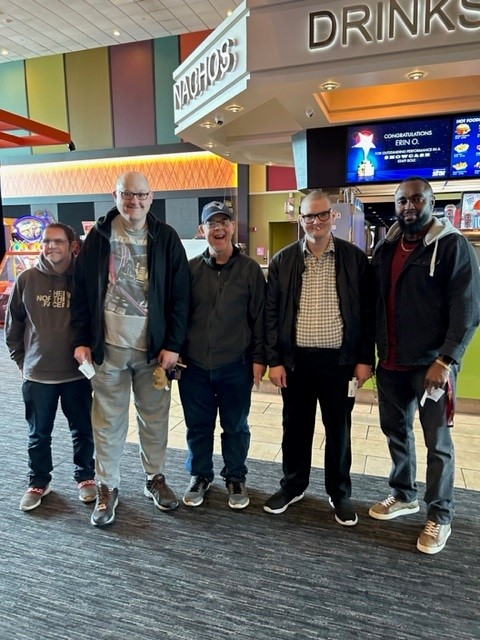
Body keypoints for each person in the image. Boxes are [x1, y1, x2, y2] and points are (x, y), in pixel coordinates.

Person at [71, 171, 190, 527]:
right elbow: (81, 292)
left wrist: (173, 345)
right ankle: (108, 486)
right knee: (107, 423)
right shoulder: (99, 236)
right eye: (127, 195)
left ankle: (154, 477)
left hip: (153, 353)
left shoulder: (166, 238)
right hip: (107, 348)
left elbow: (181, 296)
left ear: (152, 197)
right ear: (115, 195)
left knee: (154, 419)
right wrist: (81, 339)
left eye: (141, 195)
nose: (134, 202)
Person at [369, 176, 480, 554]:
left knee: (439, 443)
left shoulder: (453, 246)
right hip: (392, 364)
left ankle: (440, 515)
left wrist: (446, 359)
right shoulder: (386, 247)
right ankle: (403, 494)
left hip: (432, 367)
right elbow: (375, 303)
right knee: (395, 431)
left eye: (416, 199)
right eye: (402, 201)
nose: (408, 207)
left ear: (432, 202)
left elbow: (467, 310)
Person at [264, 190, 375, 526]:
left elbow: (367, 313)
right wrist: (275, 360)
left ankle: (339, 492)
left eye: (322, 215)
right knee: (294, 427)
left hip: (340, 363)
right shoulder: (283, 260)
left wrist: (364, 358)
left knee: (338, 429)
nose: (315, 221)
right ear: (300, 219)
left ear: (333, 217)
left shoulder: (355, 260)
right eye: (308, 216)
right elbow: (271, 314)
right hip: (295, 362)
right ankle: (293, 485)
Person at [179, 201, 266, 509]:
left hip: (236, 366)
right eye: (211, 223)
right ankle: (200, 475)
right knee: (198, 426)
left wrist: (259, 359)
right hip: (194, 368)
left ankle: (235, 477)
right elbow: (179, 316)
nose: (218, 228)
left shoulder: (250, 270)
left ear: (232, 227)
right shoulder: (189, 270)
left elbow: (261, 318)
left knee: (236, 426)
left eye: (224, 222)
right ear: (203, 230)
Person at [5, 222, 96, 511]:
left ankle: (85, 477)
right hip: (38, 374)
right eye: (46, 241)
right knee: (38, 434)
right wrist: (22, 361)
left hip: (76, 374)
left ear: (72, 245)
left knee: (82, 429)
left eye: (58, 241)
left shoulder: (84, 278)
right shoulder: (28, 279)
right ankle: (39, 481)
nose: (51, 246)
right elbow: (13, 326)